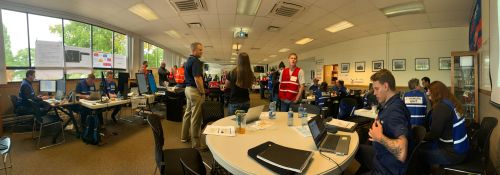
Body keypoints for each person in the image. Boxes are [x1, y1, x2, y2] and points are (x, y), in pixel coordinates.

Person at [355, 69, 411, 175]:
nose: (374, 93)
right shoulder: (392, 103)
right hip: (381, 155)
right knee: (356, 149)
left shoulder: (394, 110)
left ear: (386, 86)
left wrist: (379, 137)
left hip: (386, 169)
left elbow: (402, 153)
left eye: (376, 89)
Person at [417, 81, 469, 175]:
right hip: (462, 149)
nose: (428, 96)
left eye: (429, 93)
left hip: (453, 154)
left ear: (436, 94)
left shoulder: (441, 108)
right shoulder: (452, 102)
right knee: (422, 147)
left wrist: (418, 136)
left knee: (416, 153)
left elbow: (434, 135)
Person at [181, 42, 207, 151]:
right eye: (200, 50)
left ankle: (184, 136)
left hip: (187, 90)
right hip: (195, 91)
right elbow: (197, 78)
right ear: (194, 51)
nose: (202, 51)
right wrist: (202, 92)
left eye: (202, 49)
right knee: (196, 117)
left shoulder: (188, 61)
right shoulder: (196, 61)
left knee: (188, 113)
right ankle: (196, 144)